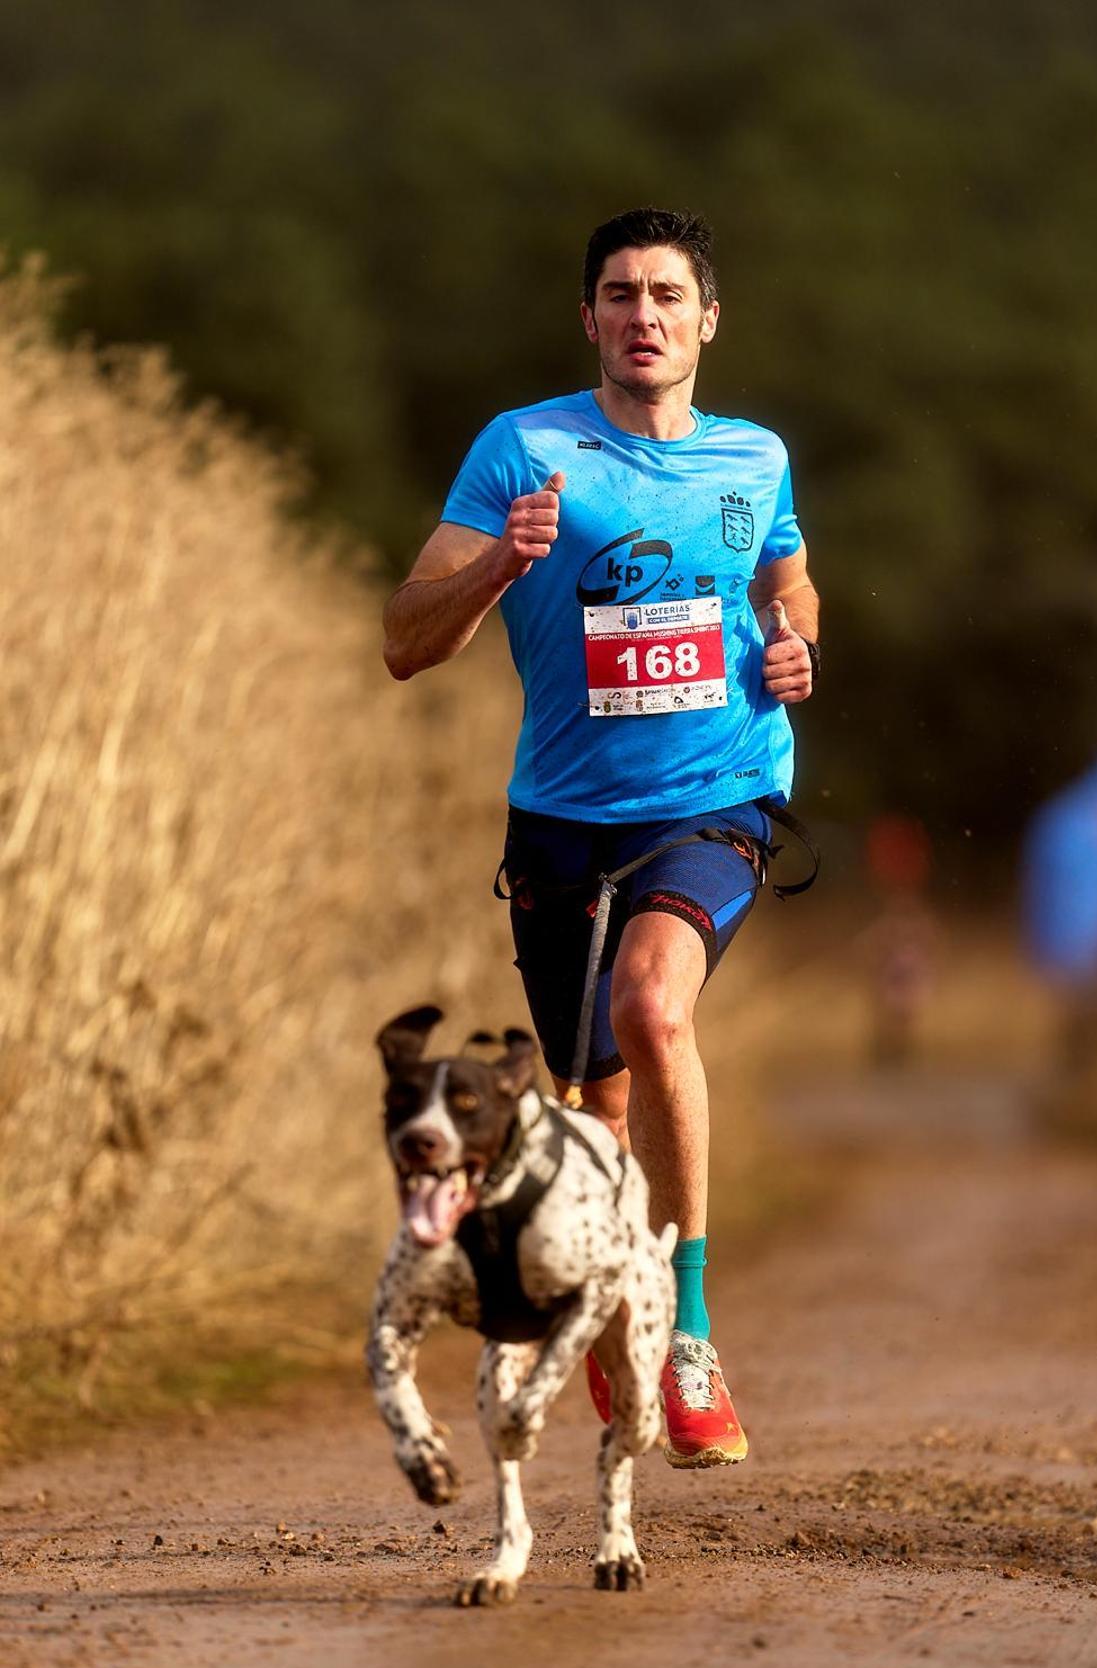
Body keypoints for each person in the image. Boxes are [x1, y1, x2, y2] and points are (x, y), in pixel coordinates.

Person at [383, 208, 820, 1468]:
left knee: (654, 1007)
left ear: (707, 319)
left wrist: (801, 644)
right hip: (564, 823)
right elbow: (404, 641)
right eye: (621, 295)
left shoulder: (754, 458)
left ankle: (689, 1335)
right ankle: (619, 1312)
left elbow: (789, 579)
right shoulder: (520, 452)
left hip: (717, 795)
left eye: (668, 295)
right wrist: (494, 571)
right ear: (590, 319)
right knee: (596, 1106)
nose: (645, 316)